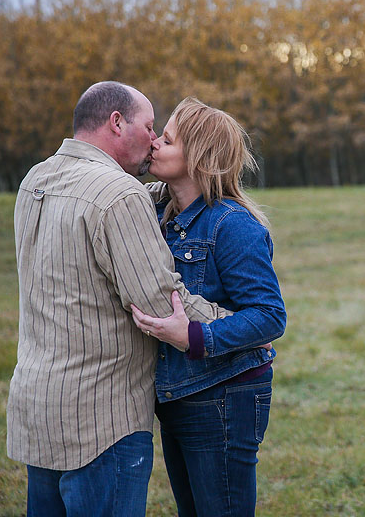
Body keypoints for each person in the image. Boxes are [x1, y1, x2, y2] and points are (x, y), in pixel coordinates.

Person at [7, 81, 255, 517]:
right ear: (117, 123)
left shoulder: (36, 180)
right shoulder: (118, 194)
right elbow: (161, 303)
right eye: (149, 126)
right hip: (101, 420)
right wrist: (236, 325)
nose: (153, 139)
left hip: (37, 408)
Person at [129, 97, 286, 516]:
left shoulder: (230, 224)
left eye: (167, 139)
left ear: (198, 156)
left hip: (224, 395)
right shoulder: (163, 215)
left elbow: (270, 315)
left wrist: (194, 335)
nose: (155, 145)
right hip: (179, 395)